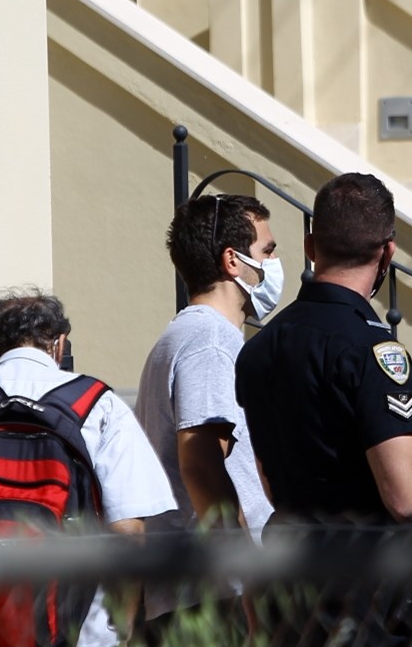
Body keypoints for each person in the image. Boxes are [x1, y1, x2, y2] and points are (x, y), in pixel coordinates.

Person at [234, 172, 412, 645]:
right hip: (359, 597)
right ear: (387, 252)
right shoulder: (374, 351)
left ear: (311, 247)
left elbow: (271, 481)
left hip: (288, 585)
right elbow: (406, 498)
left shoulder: (260, 348)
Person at [0, 288, 177, 647]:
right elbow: (128, 531)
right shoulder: (102, 406)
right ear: (59, 345)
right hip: (80, 631)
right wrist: (122, 625)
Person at [134, 194, 277, 641]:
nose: (274, 264)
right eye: (267, 251)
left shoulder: (185, 335)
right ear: (233, 261)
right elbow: (201, 464)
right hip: (214, 594)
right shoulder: (210, 341)